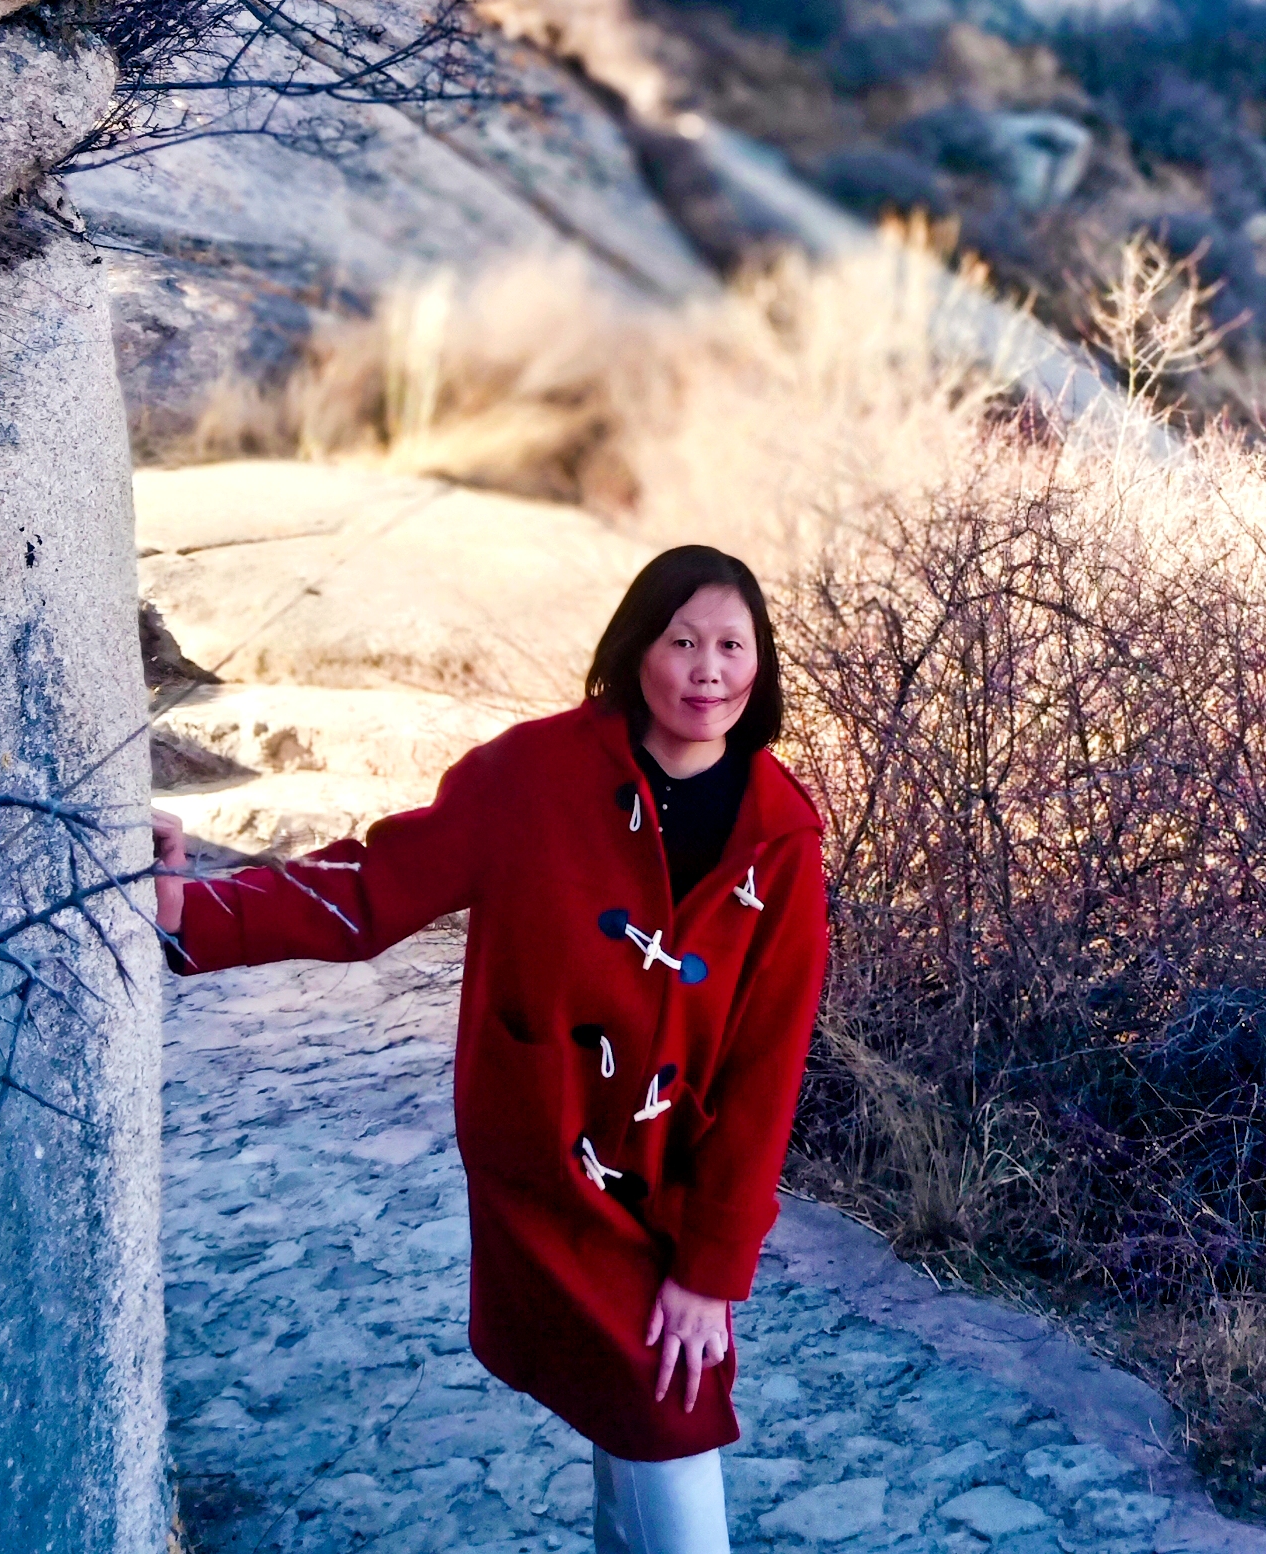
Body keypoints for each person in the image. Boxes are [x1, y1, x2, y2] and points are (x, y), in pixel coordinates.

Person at [152, 545, 828, 1554]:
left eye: (733, 645)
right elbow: (370, 888)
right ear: (635, 649)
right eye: (682, 640)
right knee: (656, 1420)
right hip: (556, 1161)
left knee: (645, 1418)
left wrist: (714, 1268)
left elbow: (767, 1065)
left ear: (760, 665)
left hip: (675, 1189)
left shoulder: (782, 836)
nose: (707, 668)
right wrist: (186, 912)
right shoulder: (533, 775)